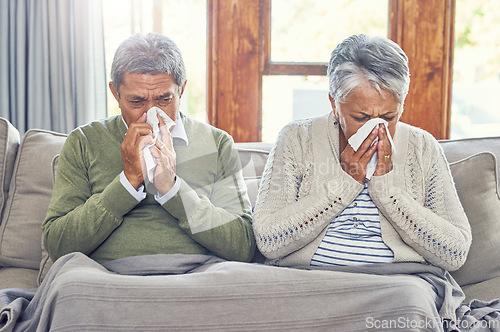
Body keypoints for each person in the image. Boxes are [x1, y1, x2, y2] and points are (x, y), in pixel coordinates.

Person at [252, 34, 471, 271]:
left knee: (411, 298)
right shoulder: (297, 138)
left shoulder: (423, 146)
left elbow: (454, 253)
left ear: (402, 105)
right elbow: (269, 241)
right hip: (310, 278)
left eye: (389, 117)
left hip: (397, 283)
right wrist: (344, 184)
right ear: (334, 104)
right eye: (360, 118)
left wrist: (387, 191)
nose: (376, 129)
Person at [42, 33, 255, 264]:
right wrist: (127, 182)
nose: (151, 114)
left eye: (164, 99)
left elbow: (243, 246)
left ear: (181, 90)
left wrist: (173, 190)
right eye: (137, 101)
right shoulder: (84, 141)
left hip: (197, 277)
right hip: (105, 278)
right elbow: (58, 244)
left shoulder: (217, 143)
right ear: (116, 93)